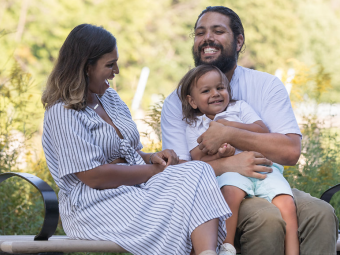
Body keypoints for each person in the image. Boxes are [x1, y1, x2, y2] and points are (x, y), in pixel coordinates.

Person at [161, 6, 339, 255]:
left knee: (321, 213)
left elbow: (290, 152)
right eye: (200, 33)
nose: (207, 38)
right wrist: (231, 164)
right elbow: (178, 172)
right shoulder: (178, 101)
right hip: (216, 193)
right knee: (265, 218)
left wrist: (229, 133)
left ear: (239, 41)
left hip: (267, 181)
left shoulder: (266, 85)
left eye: (218, 31)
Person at [41, 24, 232, 255]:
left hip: (133, 186)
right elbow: (94, 176)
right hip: (94, 204)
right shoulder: (63, 111)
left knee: (198, 170)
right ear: (86, 67)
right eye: (110, 65)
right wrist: (153, 171)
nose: (117, 71)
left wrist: (152, 157)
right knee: (181, 206)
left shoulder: (108, 97)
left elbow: (127, 153)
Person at [177, 64, 299, 255]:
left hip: (262, 168)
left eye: (220, 88)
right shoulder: (194, 125)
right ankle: (227, 247)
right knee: (230, 193)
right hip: (232, 173)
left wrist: (230, 128)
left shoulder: (240, 107)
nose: (215, 93)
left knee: (287, 203)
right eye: (206, 91)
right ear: (192, 101)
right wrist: (220, 155)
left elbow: (262, 130)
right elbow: (198, 158)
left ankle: (293, 252)